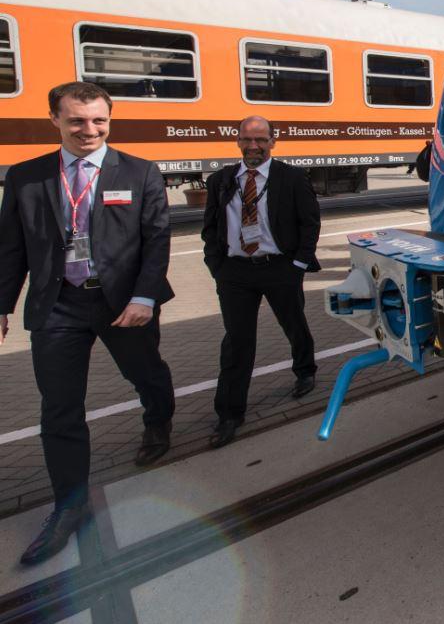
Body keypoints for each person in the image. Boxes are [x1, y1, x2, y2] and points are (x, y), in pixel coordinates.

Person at [0, 82, 176, 565]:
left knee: (147, 375)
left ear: (109, 120)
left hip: (124, 304)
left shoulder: (139, 173)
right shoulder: (26, 177)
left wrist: (144, 296)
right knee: (59, 408)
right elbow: (11, 248)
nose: (89, 130)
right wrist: (3, 303)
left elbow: (156, 241)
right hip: (57, 305)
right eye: (77, 120)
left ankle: (158, 422)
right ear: (54, 119)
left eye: (99, 120)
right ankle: (69, 506)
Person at [201, 116, 321, 449]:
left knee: (293, 322)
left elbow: (310, 223)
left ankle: (305, 369)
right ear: (237, 141)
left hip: (279, 267)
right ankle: (229, 413)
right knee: (237, 341)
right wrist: (216, 265)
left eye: (260, 140)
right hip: (235, 273)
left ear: (273, 141)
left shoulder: (292, 178)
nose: (253, 146)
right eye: (247, 140)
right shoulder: (221, 180)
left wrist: (298, 264)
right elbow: (210, 227)